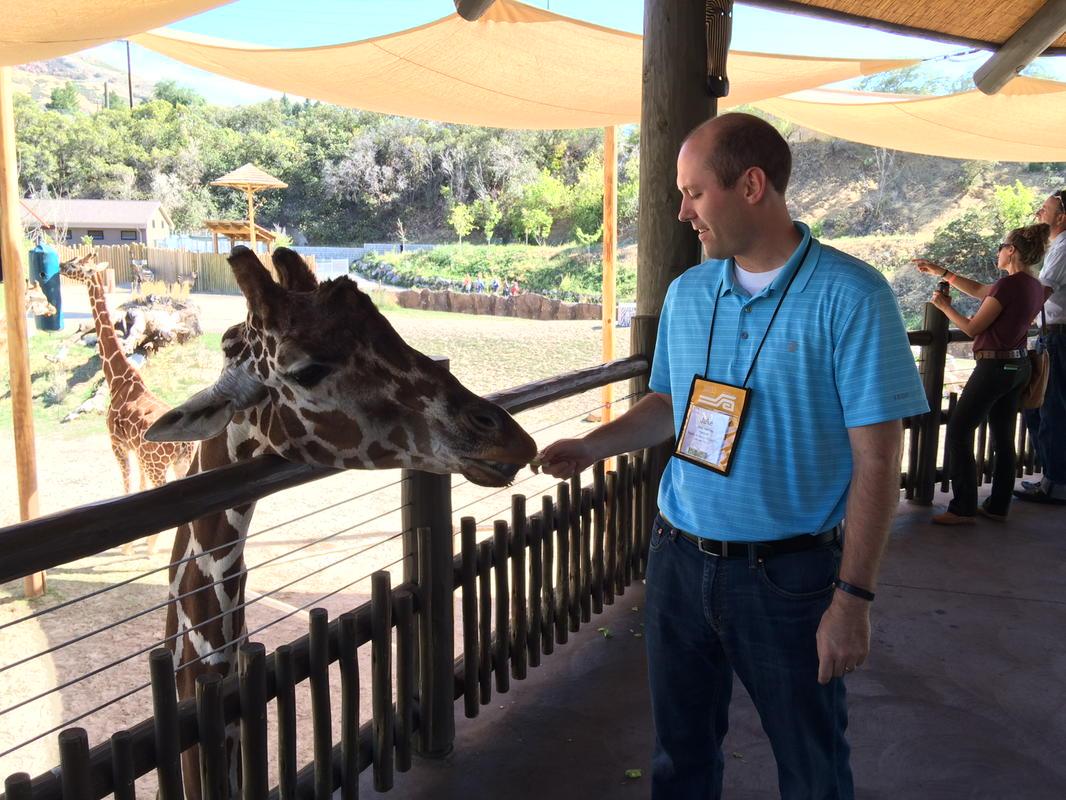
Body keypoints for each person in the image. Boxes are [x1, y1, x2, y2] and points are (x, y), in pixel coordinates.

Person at [537, 113, 927, 799]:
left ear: (751, 186)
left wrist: (853, 601)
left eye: (694, 193)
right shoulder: (690, 293)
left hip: (791, 577)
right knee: (678, 756)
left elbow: (876, 462)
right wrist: (593, 446)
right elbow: (670, 404)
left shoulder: (853, 296)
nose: (683, 212)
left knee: (812, 764)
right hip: (678, 558)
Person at [914, 223, 1050, 524]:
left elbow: (972, 328)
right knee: (1003, 437)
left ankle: (962, 507)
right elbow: (980, 291)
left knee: (959, 431)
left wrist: (943, 306)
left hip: (995, 367)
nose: (998, 252)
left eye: (1001, 247)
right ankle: (998, 505)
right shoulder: (1032, 285)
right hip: (1018, 367)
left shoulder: (1008, 286)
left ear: (1011, 250)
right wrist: (943, 272)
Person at [1018, 190, 1066, 505]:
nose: (1039, 213)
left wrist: (1007, 313)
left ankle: (1055, 483)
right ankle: (1054, 478)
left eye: (1045, 209)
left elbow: (1043, 291)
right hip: (1054, 333)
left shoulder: (1063, 248)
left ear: (1062, 217)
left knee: (1049, 408)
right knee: (1044, 407)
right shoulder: (1057, 248)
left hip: (1059, 336)